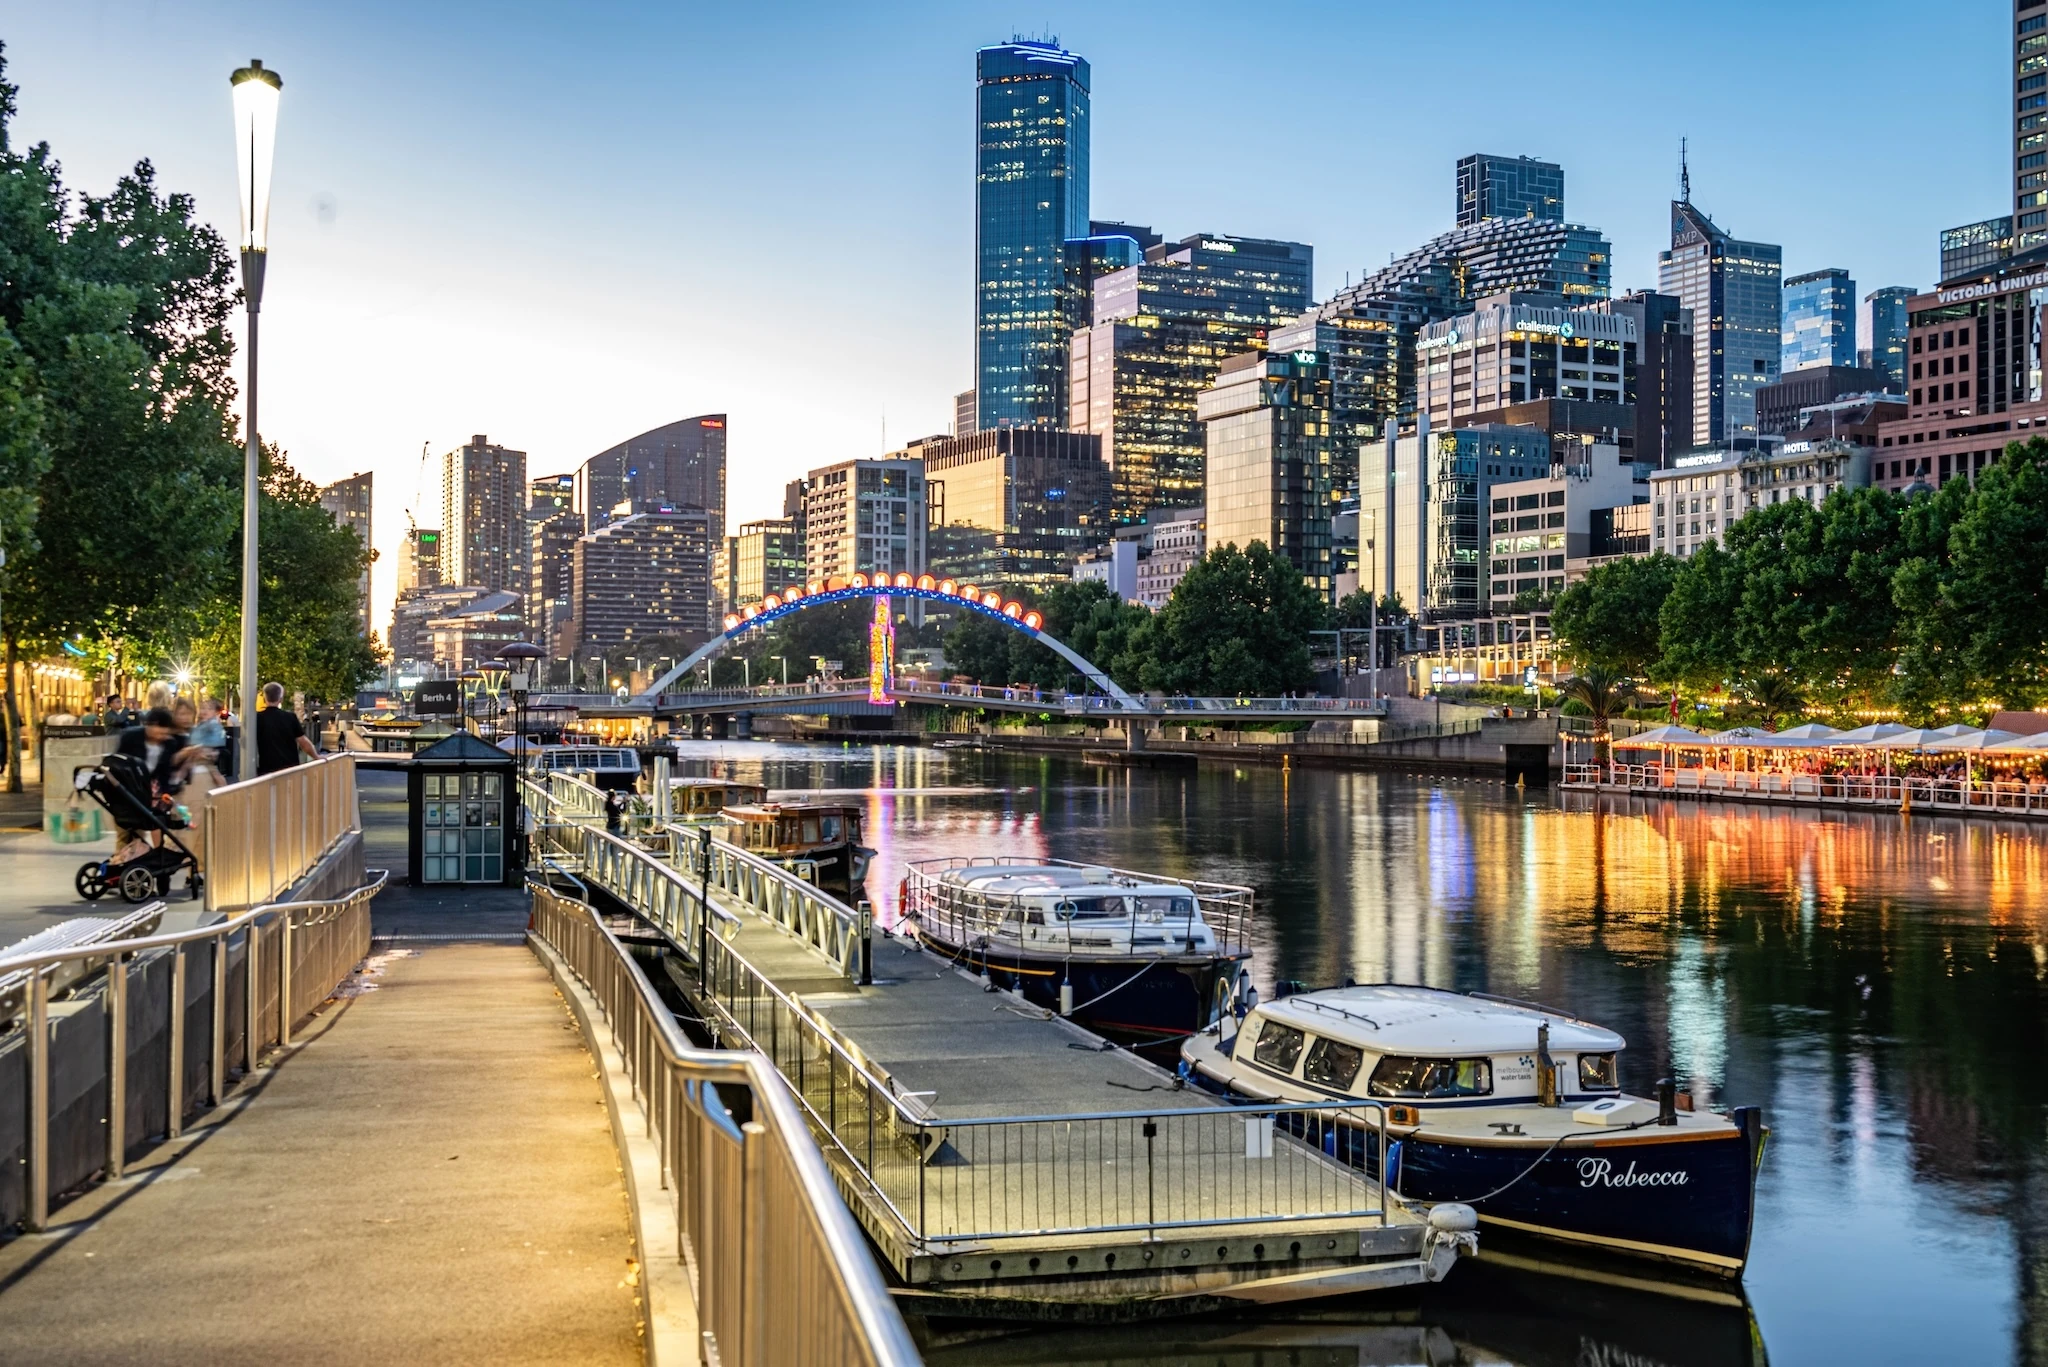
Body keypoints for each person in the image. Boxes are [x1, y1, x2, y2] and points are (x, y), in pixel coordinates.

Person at [254, 681, 319, 776]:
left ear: (264, 698)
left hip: (266, 770)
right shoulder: (290, 717)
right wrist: (316, 756)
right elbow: (303, 742)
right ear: (281, 699)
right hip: (289, 769)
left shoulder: (257, 718)